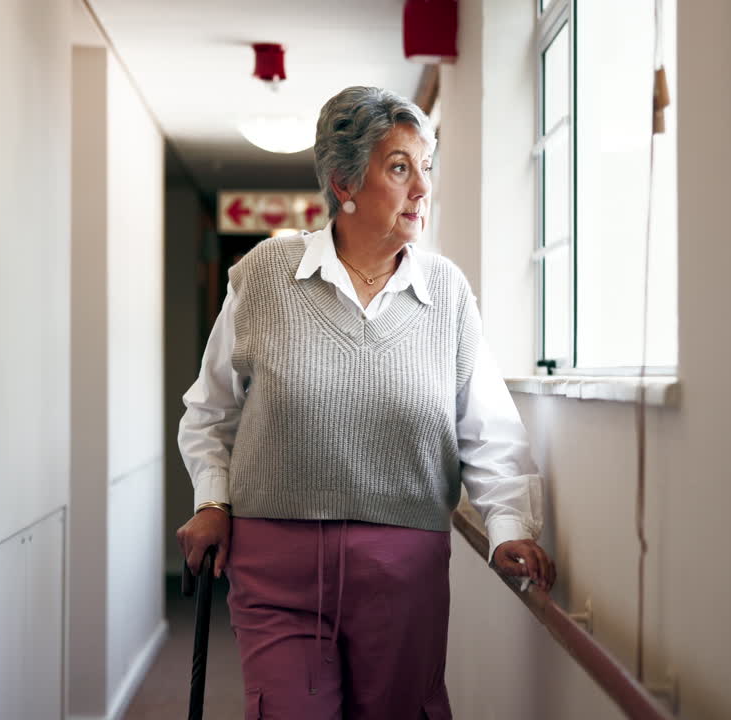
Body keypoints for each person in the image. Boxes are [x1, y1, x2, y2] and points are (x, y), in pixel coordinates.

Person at [176, 85, 555, 719]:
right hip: (276, 564)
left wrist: (508, 528)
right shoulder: (266, 275)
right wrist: (212, 501)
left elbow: (486, 428)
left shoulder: (447, 294)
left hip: (403, 568)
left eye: (426, 166)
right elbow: (211, 411)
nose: (422, 188)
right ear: (344, 182)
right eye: (400, 168)